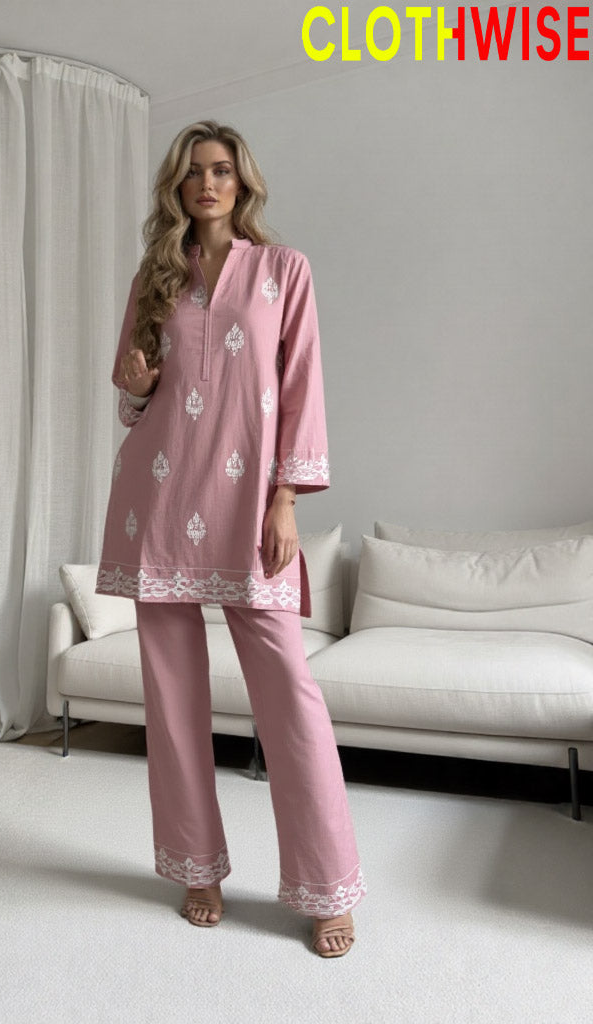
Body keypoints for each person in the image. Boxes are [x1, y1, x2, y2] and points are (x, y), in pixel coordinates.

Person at [95, 120, 366, 957]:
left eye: (219, 170)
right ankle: (196, 867)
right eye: (192, 173)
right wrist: (136, 385)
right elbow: (134, 402)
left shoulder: (285, 270)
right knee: (172, 699)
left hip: (251, 504)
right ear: (176, 189)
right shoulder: (155, 276)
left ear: (242, 181)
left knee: (289, 696)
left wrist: (286, 499)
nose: (206, 184)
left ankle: (325, 884)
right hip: (158, 497)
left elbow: (301, 386)